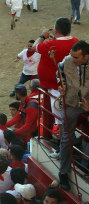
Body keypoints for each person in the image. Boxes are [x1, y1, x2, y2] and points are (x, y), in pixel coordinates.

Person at [31, 18, 79, 147]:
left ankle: (63, 147)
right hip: (71, 87)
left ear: (56, 30)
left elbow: (34, 47)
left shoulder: (50, 45)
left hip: (56, 89)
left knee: (61, 120)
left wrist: (43, 36)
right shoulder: (77, 43)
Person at [57, 40, 89, 191]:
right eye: (71, 55)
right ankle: (63, 172)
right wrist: (61, 85)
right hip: (71, 103)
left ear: (86, 56)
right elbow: (60, 73)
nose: (72, 59)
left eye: (76, 57)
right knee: (66, 137)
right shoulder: (66, 62)